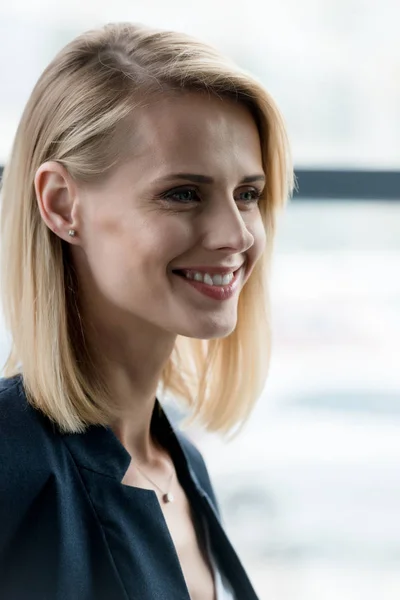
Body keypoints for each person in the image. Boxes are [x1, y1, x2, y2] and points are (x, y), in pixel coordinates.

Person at [0, 22, 293, 600]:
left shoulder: (182, 465)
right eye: (183, 193)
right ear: (62, 205)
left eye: (249, 194)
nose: (235, 235)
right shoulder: (10, 470)